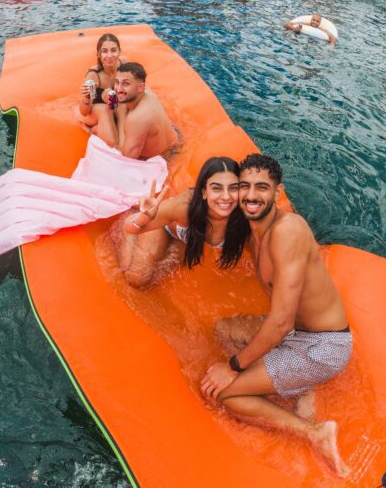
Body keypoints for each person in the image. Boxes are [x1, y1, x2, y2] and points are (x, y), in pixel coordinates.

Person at [201, 154, 351, 478]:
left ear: (277, 192)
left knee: (226, 394)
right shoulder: (253, 229)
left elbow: (281, 323)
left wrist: (234, 368)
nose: (252, 195)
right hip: (296, 332)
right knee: (224, 330)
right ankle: (295, 384)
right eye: (245, 187)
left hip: (324, 345)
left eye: (261, 188)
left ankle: (315, 432)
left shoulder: (287, 231)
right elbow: (209, 224)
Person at [118, 157, 249, 287]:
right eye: (216, 188)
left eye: (233, 188)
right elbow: (130, 228)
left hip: (185, 238)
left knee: (154, 282)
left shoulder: (245, 219)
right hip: (163, 227)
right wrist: (142, 218)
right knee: (136, 279)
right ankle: (132, 213)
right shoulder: (184, 208)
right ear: (204, 192)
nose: (226, 196)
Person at [114, 62, 178, 160]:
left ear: (141, 87)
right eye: (117, 82)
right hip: (176, 143)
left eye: (126, 84)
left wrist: (120, 116)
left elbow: (127, 157)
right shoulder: (148, 93)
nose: (118, 89)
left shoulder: (137, 118)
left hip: (161, 161)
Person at [78, 33, 128, 146]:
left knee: (122, 105)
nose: (109, 55)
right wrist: (86, 97)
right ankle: (96, 130)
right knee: (106, 110)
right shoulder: (94, 75)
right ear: (98, 54)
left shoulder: (124, 65)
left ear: (119, 51)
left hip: (114, 107)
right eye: (105, 51)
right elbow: (84, 112)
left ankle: (116, 136)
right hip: (94, 112)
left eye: (113, 50)